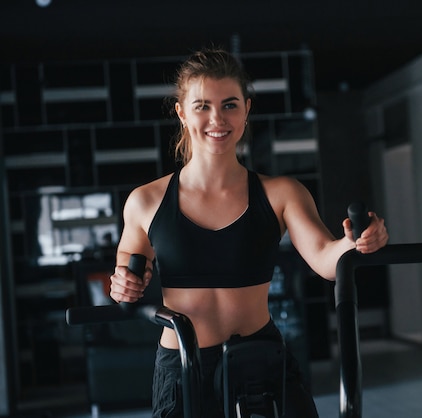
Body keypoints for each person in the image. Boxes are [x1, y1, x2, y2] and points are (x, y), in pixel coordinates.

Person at [109, 47, 389, 418]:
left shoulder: (282, 193)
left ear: (246, 109)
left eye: (229, 105)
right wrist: (123, 286)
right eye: (202, 106)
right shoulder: (145, 201)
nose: (216, 119)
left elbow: (325, 259)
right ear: (181, 112)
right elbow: (125, 280)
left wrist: (356, 243)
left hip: (260, 363)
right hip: (183, 367)